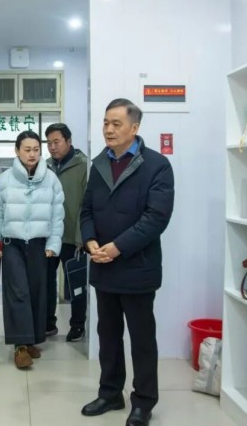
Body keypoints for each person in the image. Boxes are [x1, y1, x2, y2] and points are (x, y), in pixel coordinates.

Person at [79, 98, 174, 426]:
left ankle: (144, 402)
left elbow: (156, 218)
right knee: (107, 335)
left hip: (137, 267)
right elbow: (86, 210)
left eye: (116, 123)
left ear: (134, 128)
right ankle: (110, 393)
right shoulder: (98, 164)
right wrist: (90, 240)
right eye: (106, 122)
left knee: (142, 339)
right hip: (103, 266)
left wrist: (118, 247)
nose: (108, 129)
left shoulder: (156, 165)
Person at [0, 130, 64, 369]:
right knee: (18, 292)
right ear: (17, 151)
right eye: (27, 149)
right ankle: (20, 346)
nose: (32, 154)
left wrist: (53, 244)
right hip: (13, 244)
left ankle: (31, 340)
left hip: (40, 245)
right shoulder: (5, 181)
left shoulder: (51, 179)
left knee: (38, 292)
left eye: (36, 150)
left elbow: (58, 215)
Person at [44, 123, 88, 342]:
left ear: (69, 141)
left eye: (56, 142)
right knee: (46, 281)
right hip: (49, 236)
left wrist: (82, 237)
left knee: (76, 283)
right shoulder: (45, 166)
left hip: (73, 237)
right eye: (49, 143)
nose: (52, 147)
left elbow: (86, 205)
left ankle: (78, 325)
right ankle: (48, 323)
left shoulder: (84, 166)